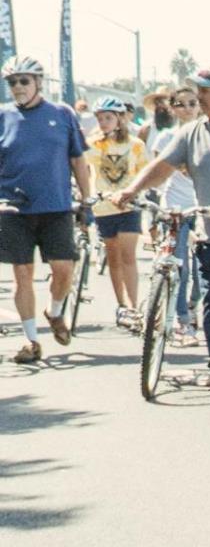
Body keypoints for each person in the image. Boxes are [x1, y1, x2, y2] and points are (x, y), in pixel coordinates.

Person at [112, 66, 210, 387]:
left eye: (205, 90)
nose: (199, 97)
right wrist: (132, 190)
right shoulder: (191, 132)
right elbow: (162, 167)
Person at [0, 55, 92, 363]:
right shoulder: (3, 116)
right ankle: (31, 341)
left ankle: (54, 313)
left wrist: (87, 201)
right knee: (22, 274)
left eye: (24, 81)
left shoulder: (62, 114)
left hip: (56, 206)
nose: (18, 87)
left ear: (39, 82)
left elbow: (78, 160)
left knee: (64, 270)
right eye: (12, 82)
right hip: (13, 209)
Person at [84, 94, 151, 329]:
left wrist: (137, 193)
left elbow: (145, 172)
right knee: (113, 256)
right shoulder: (94, 144)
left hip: (128, 206)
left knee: (128, 255)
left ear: (120, 119)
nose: (104, 122)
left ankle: (133, 306)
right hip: (104, 208)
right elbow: (83, 167)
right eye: (100, 118)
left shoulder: (135, 144)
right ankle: (121, 304)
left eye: (108, 118)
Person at [148, 86, 206, 346]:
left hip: (203, 206)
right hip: (175, 207)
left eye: (192, 103)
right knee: (179, 264)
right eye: (181, 104)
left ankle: (193, 306)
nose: (187, 109)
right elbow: (157, 172)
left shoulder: (208, 136)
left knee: (202, 270)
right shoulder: (165, 137)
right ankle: (182, 320)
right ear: (172, 108)